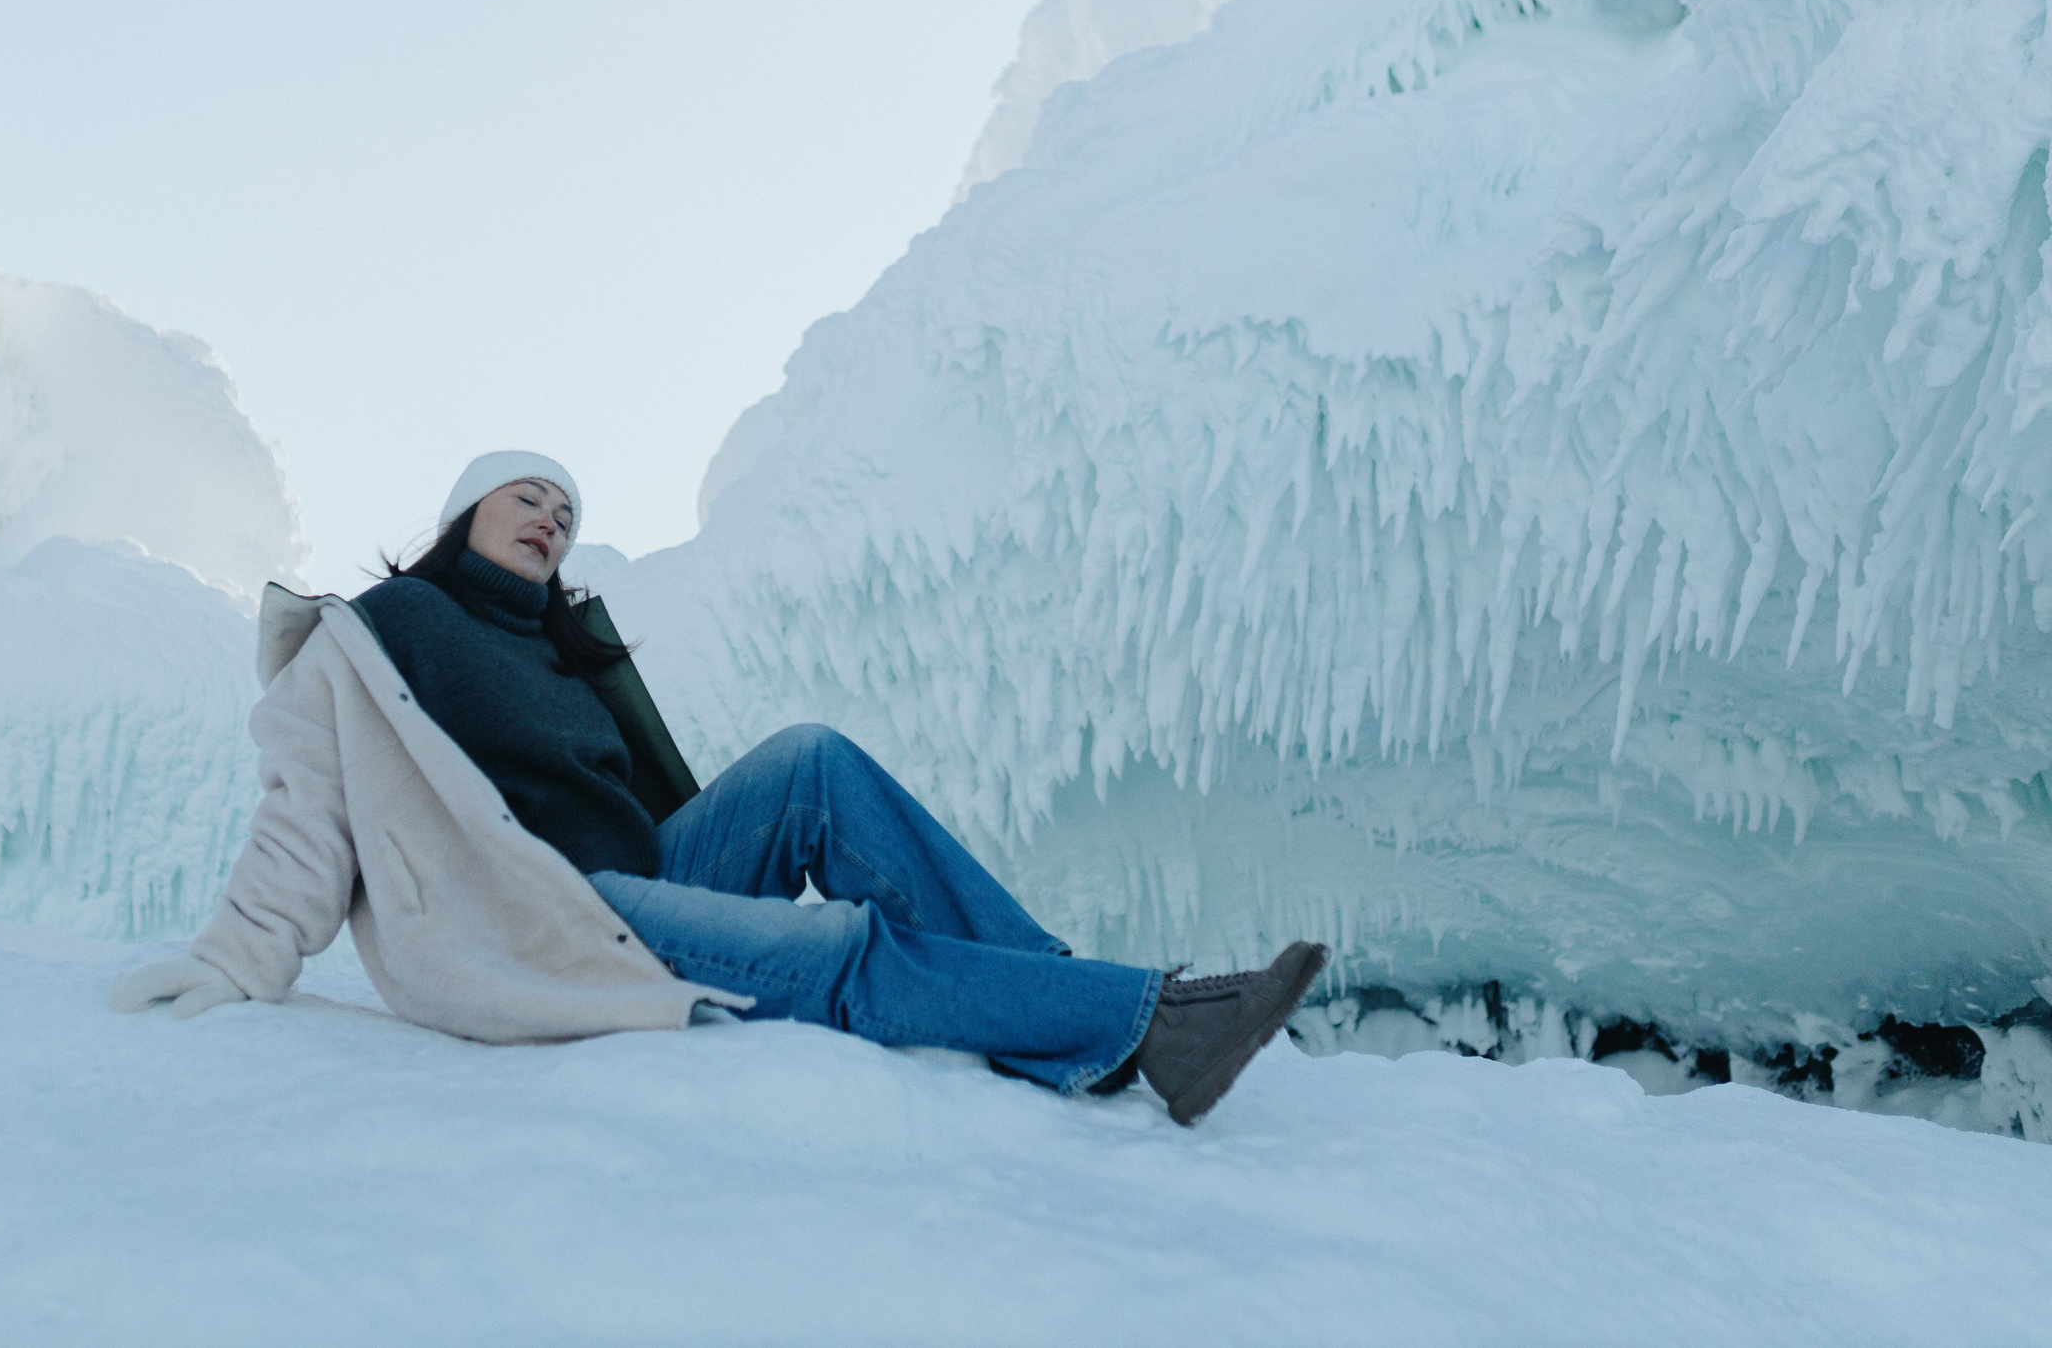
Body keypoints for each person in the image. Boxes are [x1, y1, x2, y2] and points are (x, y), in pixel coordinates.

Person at [115, 450, 1327, 1125]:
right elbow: (305, 808)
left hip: (638, 880)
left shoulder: (565, 650)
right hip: (538, 919)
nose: (551, 519)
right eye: (527, 496)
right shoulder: (383, 630)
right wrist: (235, 960)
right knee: (835, 947)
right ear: (461, 515)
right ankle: (1150, 1026)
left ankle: (1059, 993)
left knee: (812, 758)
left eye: (566, 512)